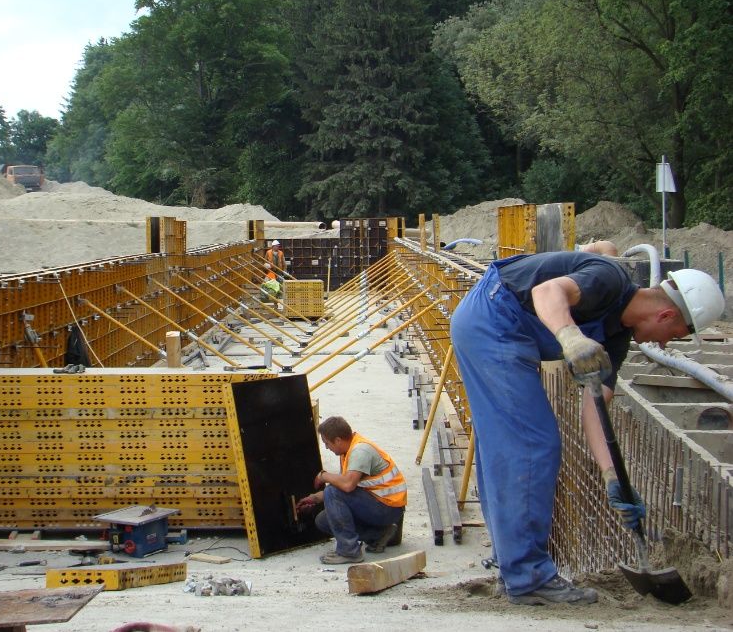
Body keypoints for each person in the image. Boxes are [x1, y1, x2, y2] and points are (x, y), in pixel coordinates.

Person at [450, 251, 724, 606]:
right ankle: (528, 575)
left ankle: (515, 568)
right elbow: (547, 293)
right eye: (674, 333)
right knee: (532, 445)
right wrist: (570, 337)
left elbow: (595, 409)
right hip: (493, 322)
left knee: (510, 447)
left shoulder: (617, 336)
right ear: (666, 314)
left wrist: (613, 478)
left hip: (496, 328)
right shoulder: (610, 279)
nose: (665, 344)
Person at [296, 416, 407, 564]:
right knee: (323, 520)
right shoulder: (347, 452)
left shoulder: (360, 451)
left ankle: (349, 552)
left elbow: (347, 486)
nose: (327, 447)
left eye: (327, 443)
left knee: (332, 491)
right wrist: (314, 498)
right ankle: (379, 535)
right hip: (378, 504)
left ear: (338, 440)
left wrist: (324, 476)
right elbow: (342, 488)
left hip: (389, 508)